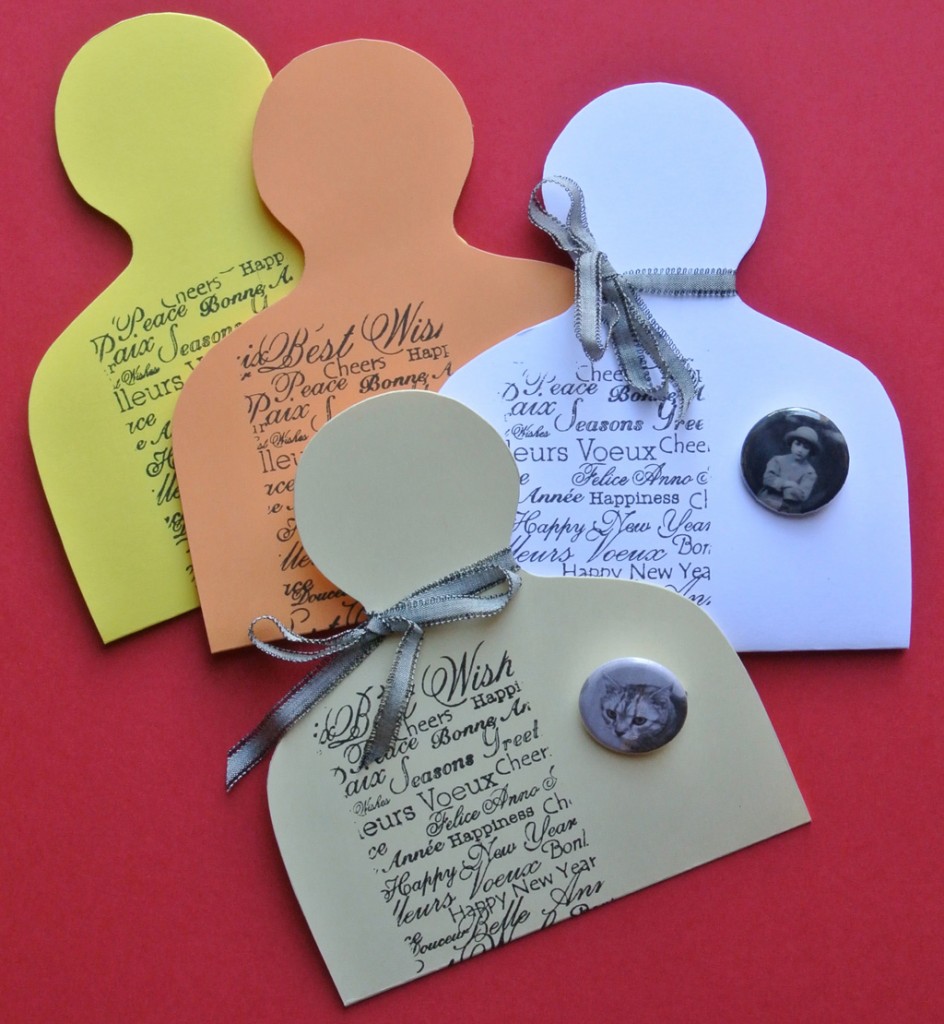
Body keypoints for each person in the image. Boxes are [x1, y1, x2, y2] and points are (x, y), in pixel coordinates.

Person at [759, 425, 819, 512]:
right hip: (767, 500)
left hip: (790, 509)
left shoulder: (810, 472)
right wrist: (788, 484)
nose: (800, 450)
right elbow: (767, 479)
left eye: (806, 447)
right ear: (791, 444)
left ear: (810, 451)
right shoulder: (777, 460)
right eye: (797, 444)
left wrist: (780, 486)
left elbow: (802, 495)